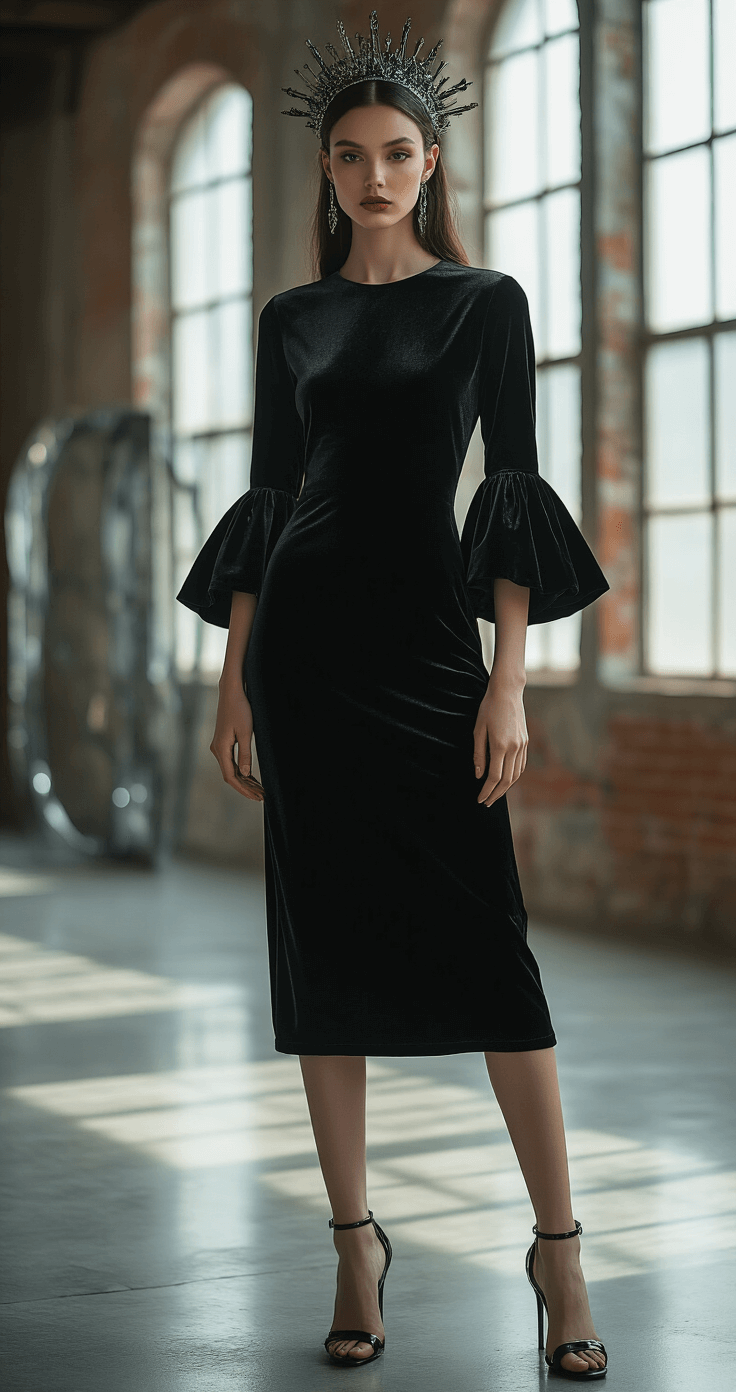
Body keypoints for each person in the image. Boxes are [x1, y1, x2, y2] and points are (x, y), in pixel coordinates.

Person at [177, 9, 610, 1380]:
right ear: (327, 172)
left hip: (433, 657)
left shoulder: (486, 305)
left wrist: (510, 683)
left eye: (396, 153)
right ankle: (354, 1245)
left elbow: (516, 498)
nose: (373, 175)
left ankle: (560, 1257)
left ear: (431, 165)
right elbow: (267, 502)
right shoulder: (289, 320)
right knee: (325, 958)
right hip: (305, 662)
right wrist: (234, 682)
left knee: (494, 956)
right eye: (350, 155)